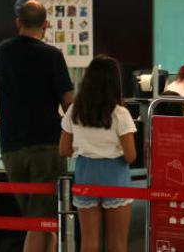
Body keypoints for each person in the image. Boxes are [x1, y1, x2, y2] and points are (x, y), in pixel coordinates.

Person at [0, 0, 74, 252]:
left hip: (10, 146)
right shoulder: (51, 55)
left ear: (18, 22)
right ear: (46, 25)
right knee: (40, 222)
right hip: (45, 146)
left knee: (43, 220)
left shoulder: (3, 52)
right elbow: (68, 102)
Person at [59, 55, 136, 252]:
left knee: (89, 241)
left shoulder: (74, 110)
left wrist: (81, 148)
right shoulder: (120, 114)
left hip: (85, 173)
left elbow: (63, 150)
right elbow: (130, 156)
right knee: (116, 243)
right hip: (115, 176)